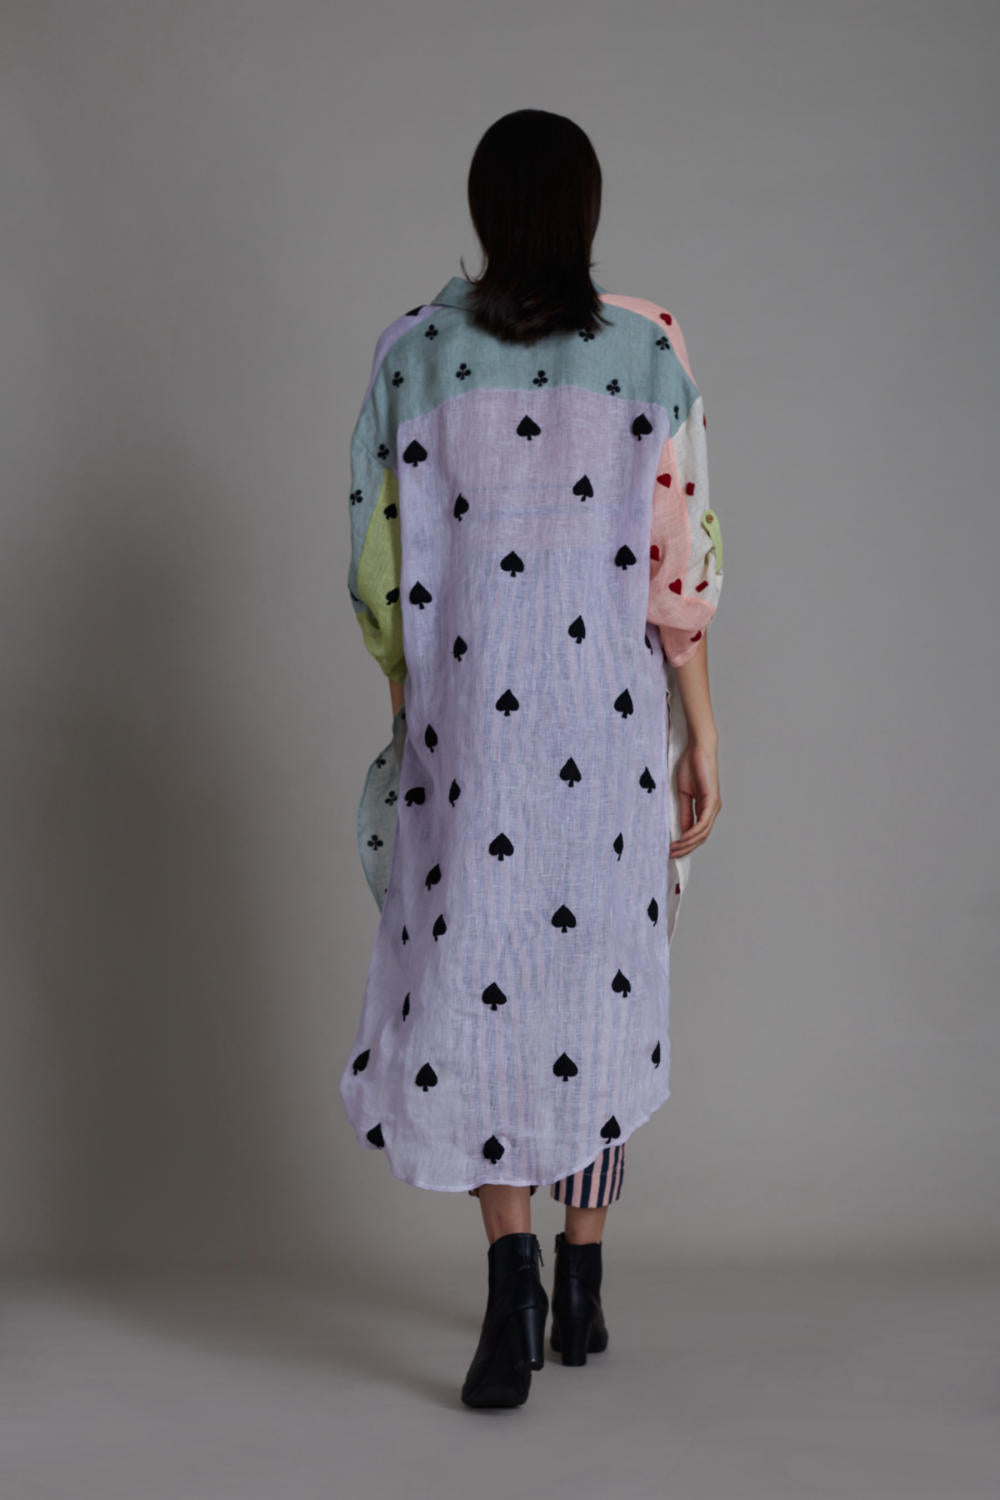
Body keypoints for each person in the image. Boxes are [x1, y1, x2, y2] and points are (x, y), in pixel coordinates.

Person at [340, 109, 723, 1408]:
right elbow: (681, 564)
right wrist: (703, 726)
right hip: (606, 727)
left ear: (485, 207)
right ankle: (584, 1278)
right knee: (596, 987)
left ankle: (512, 1277)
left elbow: (376, 565)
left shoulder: (413, 352)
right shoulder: (649, 349)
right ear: (585, 209)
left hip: (470, 731)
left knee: (482, 980)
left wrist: (412, 696)